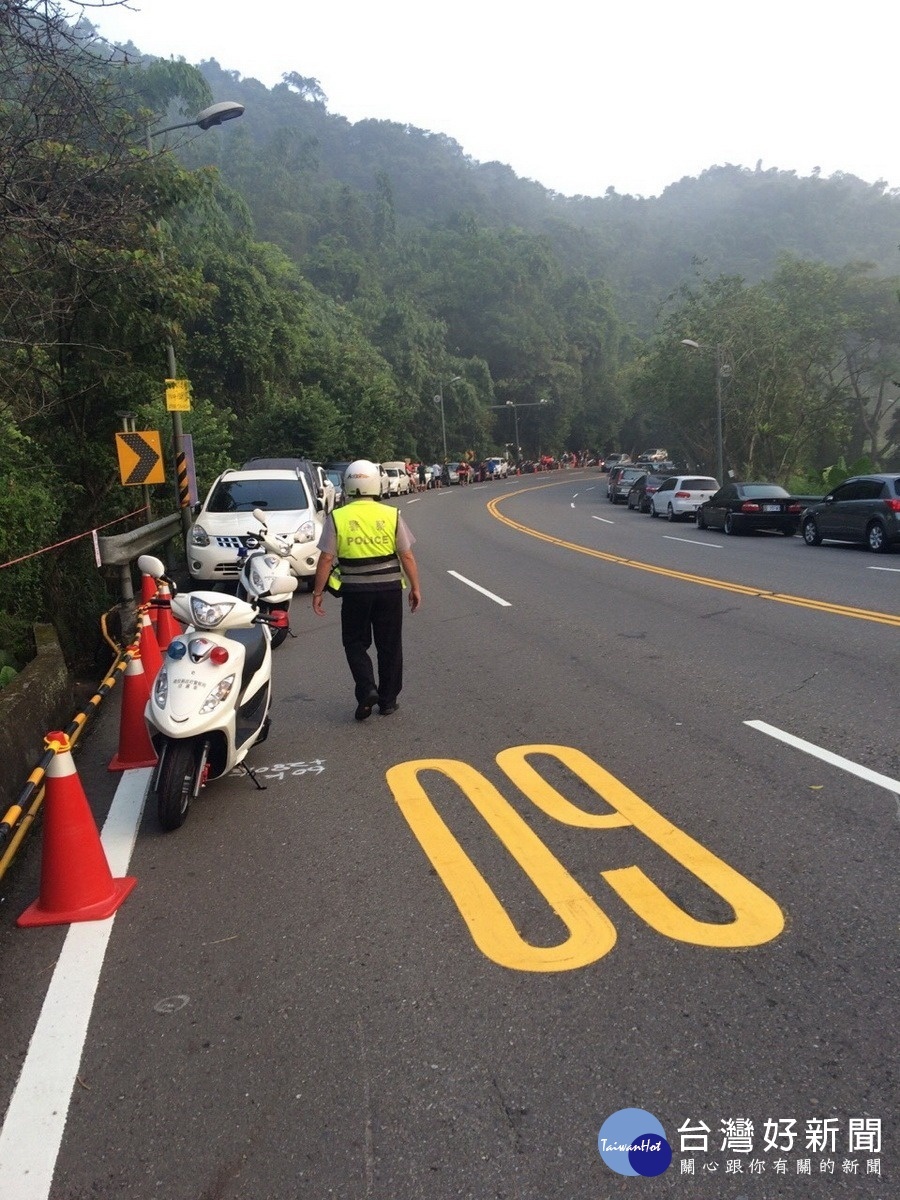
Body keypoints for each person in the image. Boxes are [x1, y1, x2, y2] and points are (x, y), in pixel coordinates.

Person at [311, 460, 421, 720]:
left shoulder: (337, 517)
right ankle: (387, 701)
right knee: (390, 645)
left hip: (355, 593)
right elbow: (406, 556)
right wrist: (415, 587)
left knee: (354, 642)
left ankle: (367, 688)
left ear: (349, 484)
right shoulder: (391, 514)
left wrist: (317, 593)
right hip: (389, 591)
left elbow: (326, 559)